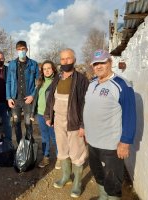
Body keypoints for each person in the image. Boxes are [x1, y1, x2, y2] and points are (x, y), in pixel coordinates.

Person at [83, 49, 136, 200]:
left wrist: (125, 142)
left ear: (110, 62)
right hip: (92, 142)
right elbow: (89, 108)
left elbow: (130, 115)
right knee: (98, 174)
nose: (98, 66)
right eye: (95, 64)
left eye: (102, 63)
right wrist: (86, 129)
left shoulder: (122, 85)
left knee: (113, 181)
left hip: (111, 145)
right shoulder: (92, 83)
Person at [44, 48, 89, 198]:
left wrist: (83, 124)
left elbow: (85, 103)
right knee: (62, 149)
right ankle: (66, 177)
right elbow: (51, 99)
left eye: (68, 58)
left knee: (77, 151)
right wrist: (48, 115)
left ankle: (77, 183)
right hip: (58, 120)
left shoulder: (81, 79)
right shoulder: (58, 78)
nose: (65, 62)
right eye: (62, 59)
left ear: (74, 60)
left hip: (74, 121)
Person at [6, 40, 39, 144]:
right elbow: (8, 81)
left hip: (27, 99)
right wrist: (8, 98)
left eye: (23, 49)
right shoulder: (11, 64)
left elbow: (39, 82)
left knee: (28, 123)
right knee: (16, 123)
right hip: (15, 99)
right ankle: (20, 145)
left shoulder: (33, 64)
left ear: (27, 49)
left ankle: (29, 145)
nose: (21, 51)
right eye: (19, 49)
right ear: (16, 51)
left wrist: (33, 96)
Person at [30, 60, 59, 169]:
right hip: (40, 114)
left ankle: (59, 158)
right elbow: (36, 98)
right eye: (44, 69)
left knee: (54, 137)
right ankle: (46, 157)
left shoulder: (57, 82)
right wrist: (33, 113)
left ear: (53, 69)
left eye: (49, 68)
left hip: (51, 115)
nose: (46, 71)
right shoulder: (40, 82)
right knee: (44, 137)